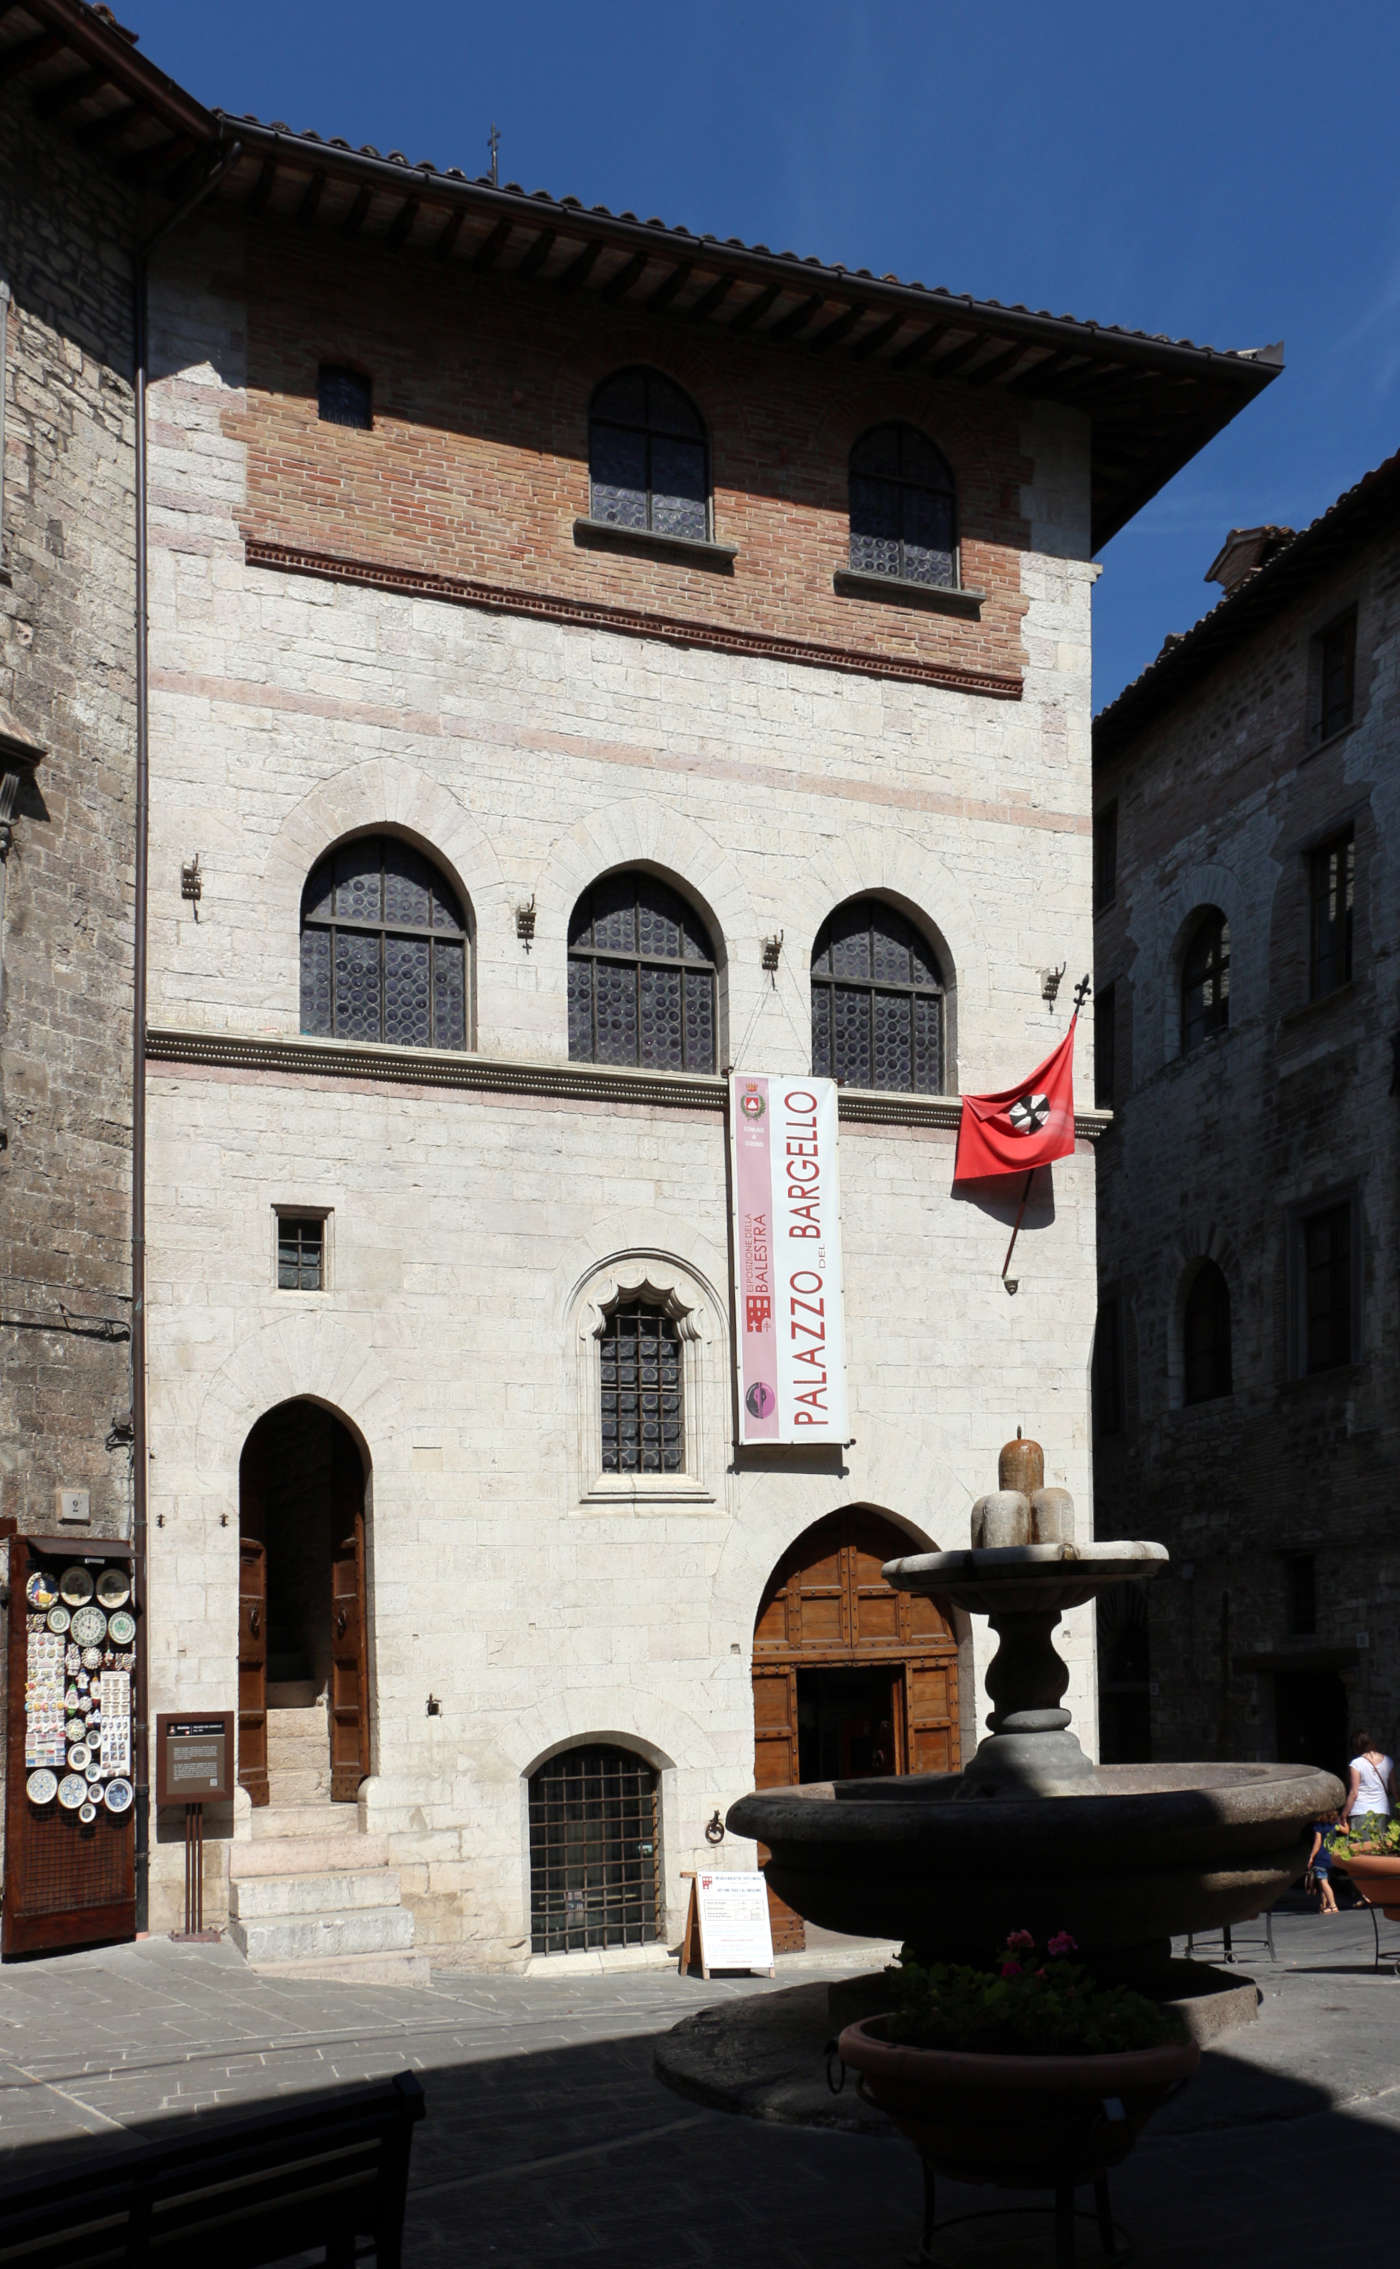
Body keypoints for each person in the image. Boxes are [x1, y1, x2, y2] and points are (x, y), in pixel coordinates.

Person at [1341, 1731, 1394, 1835]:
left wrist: (1344, 1814)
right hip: (1382, 1811)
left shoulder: (1356, 1764)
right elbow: (1395, 1790)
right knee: (1379, 1848)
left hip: (1361, 1812)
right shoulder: (1388, 1761)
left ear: (1356, 1746)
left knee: (1362, 1848)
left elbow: (1354, 1793)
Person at [1307, 1811, 1340, 1914]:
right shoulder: (1334, 1825)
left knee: (1323, 1882)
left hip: (1320, 1857)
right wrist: (1344, 1818)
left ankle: (1333, 1905)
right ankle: (1324, 1905)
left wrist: (1311, 1857)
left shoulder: (1319, 1826)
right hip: (1330, 1856)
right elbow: (1347, 1830)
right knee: (1325, 1882)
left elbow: (1317, 1843)